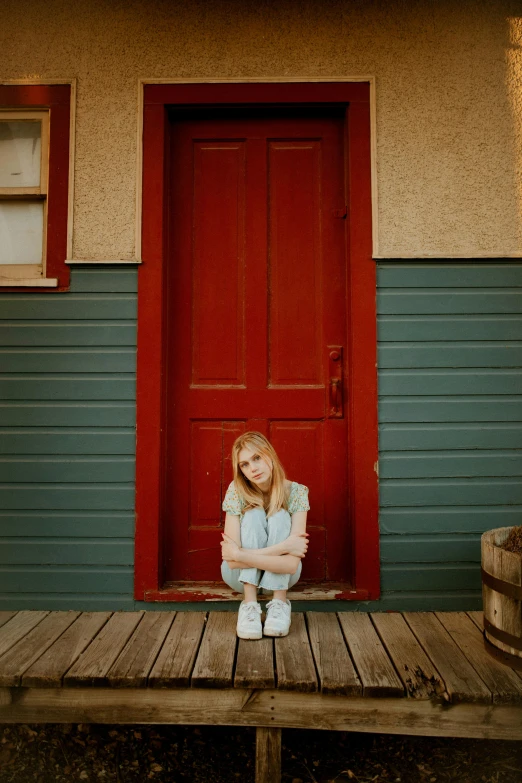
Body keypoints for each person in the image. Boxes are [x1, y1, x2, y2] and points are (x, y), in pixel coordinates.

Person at [220, 431, 309, 640]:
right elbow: (231, 564)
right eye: (244, 464)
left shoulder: (296, 492)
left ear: (269, 454)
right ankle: (249, 605)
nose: (253, 468)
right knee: (252, 514)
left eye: (257, 458)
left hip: (283, 578)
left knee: (279, 515)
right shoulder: (237, 490)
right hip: (239, 578)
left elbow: (290, 566)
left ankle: (279, 603)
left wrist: (240, 554)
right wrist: (284, 547)